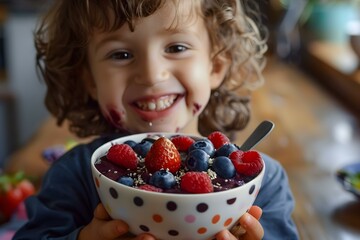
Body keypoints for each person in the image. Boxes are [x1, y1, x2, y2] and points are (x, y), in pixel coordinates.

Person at [13, 0, 299, 239]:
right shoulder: (73, 176)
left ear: (216, 65)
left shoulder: (264, 184)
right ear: (89, 80)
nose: (151, 74)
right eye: (121, 54)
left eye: (176, 48)